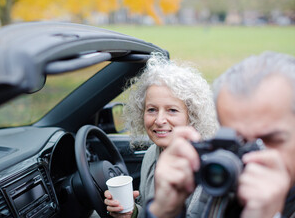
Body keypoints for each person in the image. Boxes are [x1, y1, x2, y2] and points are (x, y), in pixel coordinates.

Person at [146, 51, 295, 218]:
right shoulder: (219, 180)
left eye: (269, 140)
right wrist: (164, 211)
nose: (253, 155)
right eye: (237, 142)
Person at [104, 52, 219, 217]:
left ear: (192, 116)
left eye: (172, 110)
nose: (159, 120)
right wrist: (132, 212)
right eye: (152, 109)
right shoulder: (152, 154)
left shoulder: (206, 166)